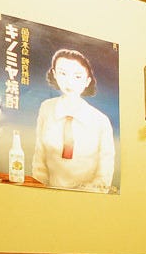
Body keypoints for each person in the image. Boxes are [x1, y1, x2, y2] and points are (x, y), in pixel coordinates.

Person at [31, 49, 115, 192]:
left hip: (88, 198)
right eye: (63, 73)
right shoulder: (46, 108)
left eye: (77, 76)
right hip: (47, 195)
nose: (69, 82)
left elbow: (104, 174)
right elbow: (40, 159)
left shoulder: (100, 121)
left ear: (87, 81)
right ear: (55, 74)